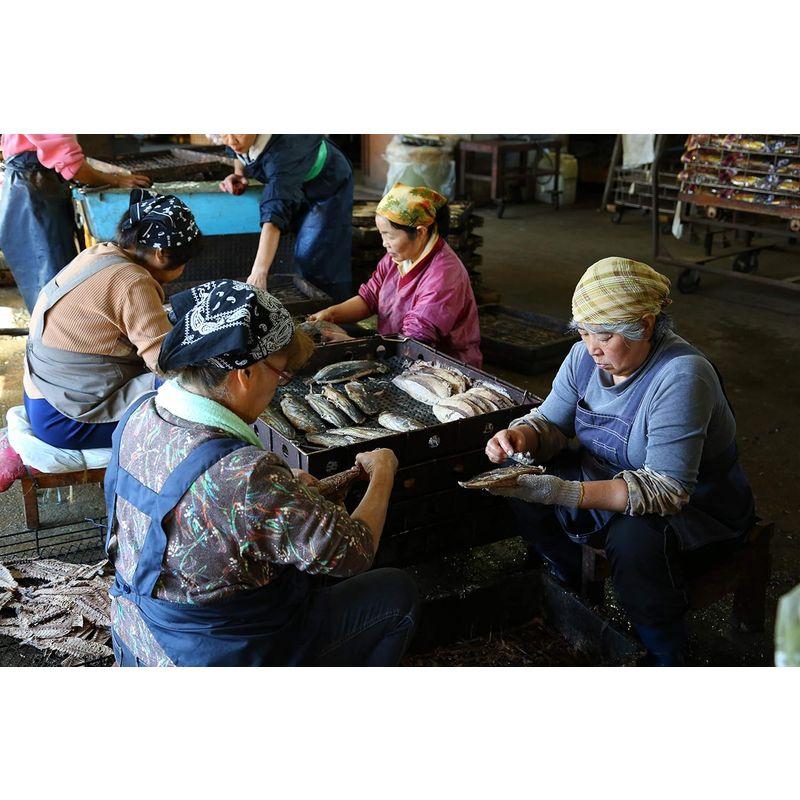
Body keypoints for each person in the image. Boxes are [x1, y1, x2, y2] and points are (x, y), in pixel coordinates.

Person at [105, 279, 418, 667]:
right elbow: (352, 554)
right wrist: (383, 471)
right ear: (244, 373)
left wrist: (283, 491)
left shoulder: (142, 413)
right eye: (280, 374)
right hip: (211, 657)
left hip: (138, 634)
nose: (278, 385)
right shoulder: (246, 475)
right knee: (395, 594)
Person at [483, 257, 754, 666]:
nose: (592, 347)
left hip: (696, 506)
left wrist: (568, 493)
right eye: (584, 331)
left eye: (605, 336)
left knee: (634, 540)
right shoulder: (583, 358)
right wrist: (522, 436)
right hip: (606, 474)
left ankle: (664, 647)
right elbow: (551, 422)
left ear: (644, 326)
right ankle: (568, 577)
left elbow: (667, 489)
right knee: (517, 479)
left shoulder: (682, 376)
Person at [22, 189, 202, 450]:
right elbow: (166, 364)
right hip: (67, 420)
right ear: (161, 253)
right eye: (184, 261)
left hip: (42, 397)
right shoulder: (133, 281)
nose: (184, 268)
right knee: (192, 391)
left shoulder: (99, 253)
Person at [309, 183, 482, 367]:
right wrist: (331, 314)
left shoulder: (444, 276)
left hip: (438, 366)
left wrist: (350, 343)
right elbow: (370, 298)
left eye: (390, 236)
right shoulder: (400, 256)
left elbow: (415, 342)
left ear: (421, 232)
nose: (385, 243)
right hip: (395, 349)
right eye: (382, 235)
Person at [0, 134, 150, 312]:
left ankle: (47, 333)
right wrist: (116, 180)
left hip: (21, 188)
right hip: (33, 195)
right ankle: (54, 336)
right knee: (54, 283)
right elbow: (74, 166)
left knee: (46, 284)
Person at [217, 134, 353, 301]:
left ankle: (335, 312)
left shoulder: (284, 150)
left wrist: (259, 272)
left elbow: (274, 214)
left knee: (315, 254)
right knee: (297, 244)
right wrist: (238, 173)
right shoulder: (238, 139)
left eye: (238, 132)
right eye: (224, 133)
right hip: (294, 181)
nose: (231, 141)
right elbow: (236, 151)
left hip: (328, 185)